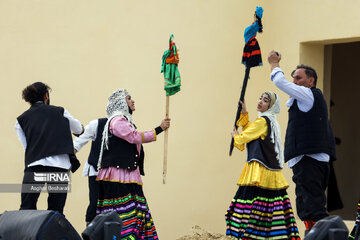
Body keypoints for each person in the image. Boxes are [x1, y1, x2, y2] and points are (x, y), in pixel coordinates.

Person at [267, 51, 336, 231]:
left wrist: (274, 63)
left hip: (310, 160)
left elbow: (279, 82)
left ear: (310, 81)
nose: (294, 82)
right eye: (294, 78)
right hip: (305, 161)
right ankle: (313, 234)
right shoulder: (304, 100)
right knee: (305, 209)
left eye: (298, 78)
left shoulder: (309, 94)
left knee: (314, 208)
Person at [96, 89, 170, 239]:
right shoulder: (117, 121)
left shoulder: (125, 121)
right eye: (129, 99)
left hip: (127, 174)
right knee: (125, 215)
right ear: (121, 103)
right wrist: (159, 129)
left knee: (136, 212)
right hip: (118, 176)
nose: (133, 101)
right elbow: (133, 137)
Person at [226, 92, 300, 240]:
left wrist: (235, 135)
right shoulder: (268, 121)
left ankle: (250, 236)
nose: (260, 101)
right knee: (269, 210)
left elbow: (244, 137)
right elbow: (251, 132)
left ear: (271, 106)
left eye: (265, 100)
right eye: (260, 98)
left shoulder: (263, 122)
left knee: (250, 209)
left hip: (259, 172)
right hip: (268, 173)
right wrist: (245, 112)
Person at [15, 82, 83, 215]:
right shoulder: (60, 111)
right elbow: (78, 129)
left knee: (27, 208)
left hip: (35, 166)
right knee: (56, 210)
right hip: (59, 167)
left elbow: (27, 147)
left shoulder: (21, 120)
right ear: (46, 96)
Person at [73, 117, 107, 225]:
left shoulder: (127, 126)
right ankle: (90, 230)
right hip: (96, 171)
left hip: (117, 174)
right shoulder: (98, 124)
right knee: (95, 203)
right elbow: (78, 142)